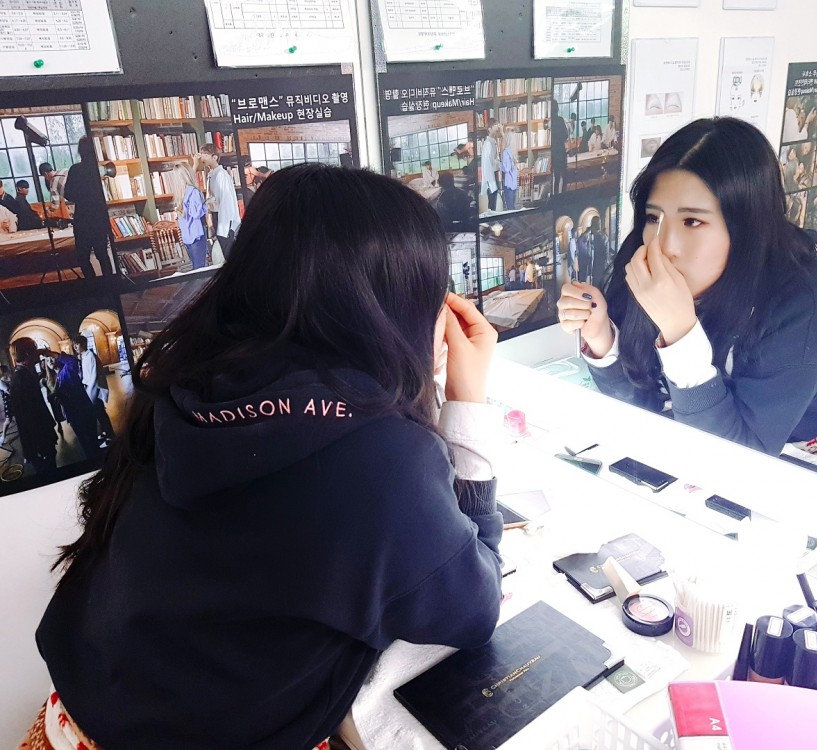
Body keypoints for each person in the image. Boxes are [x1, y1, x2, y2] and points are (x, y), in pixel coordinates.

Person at [28, 164, 504, 749]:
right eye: (431, 296)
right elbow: (474, 608)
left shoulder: (184, 382)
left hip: (71, 718)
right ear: (389, 311)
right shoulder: (383, 462)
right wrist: (468, 406)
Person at [557, 117, 817, 470]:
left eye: (692, 221)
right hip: (711, 443)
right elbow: (644, 404)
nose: (664, 245)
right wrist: (602, 337)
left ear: (745, 227)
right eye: (653, 218)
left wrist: (680, 333)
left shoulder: (806, 301)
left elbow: (737, 463)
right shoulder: (645, 268)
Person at [63, 138, 114, 278]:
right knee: (102, 255)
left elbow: (68, 194)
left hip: (83, 219)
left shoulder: (75, 169)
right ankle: (110, 283)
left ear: (80, 151)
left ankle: (93, 284)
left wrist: (81, 194)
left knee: (83, 257)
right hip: (99, 217)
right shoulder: (100, 170)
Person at [8, 338, 58, 474]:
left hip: (41, 439)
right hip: (39, 442)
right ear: (28, 354)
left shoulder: (23, 373)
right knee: (49, 474)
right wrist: (38, 447)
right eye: (35, 350)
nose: (38, 354)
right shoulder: (21, 379)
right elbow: (28, 418)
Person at [197, 143, 241, 259]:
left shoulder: (222, 175)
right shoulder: (211, 175)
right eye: (201, 154)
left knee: (229, 254)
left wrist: (225, 227)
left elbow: (226, 201)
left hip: (225, 219)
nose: (202, 158)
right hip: (217, 217)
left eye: (205, 155)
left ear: (214, 157)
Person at [73, 335, 115, 444]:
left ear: (83, 344)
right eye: (74, 345)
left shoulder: (90, 356)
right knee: (98, 412)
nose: (75, 347)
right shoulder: (83, 356)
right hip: (88, 388)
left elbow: (93, 376)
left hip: (93, 388)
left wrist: (90, 392)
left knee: (100, 412)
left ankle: (110, 436)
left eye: (77, 344)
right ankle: (106, 432)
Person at [173, 161, 209, 270]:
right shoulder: (193, 192)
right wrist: (207, 205)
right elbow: (196, 213)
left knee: (195, 268)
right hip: (197, 234)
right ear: (189, 174)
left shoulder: (180, 194)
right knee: (200, 269)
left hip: (187, 237)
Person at [479, 123, 502, 212]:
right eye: (495, 127)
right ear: (489, 129)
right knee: (492, 202)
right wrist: (498, 163)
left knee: (493, 201)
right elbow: (488, 163)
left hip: (494, 173)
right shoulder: (488, 144)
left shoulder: (493, 142)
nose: (497, 129)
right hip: (490, 175)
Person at [550, 100, 569, 195]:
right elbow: (566, 135)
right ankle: (564, 196)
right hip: (561, 151)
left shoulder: (549, 122)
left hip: (553, 152)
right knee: (564, 176)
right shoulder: (560, 120)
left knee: (556, 177)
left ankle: (555, 195)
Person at [500, 126, 519, 211]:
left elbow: (506, 169)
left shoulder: (506, 152)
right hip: (514, 183)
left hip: (508, 183)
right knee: (513, 207)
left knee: (510, 208)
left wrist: (500, 164)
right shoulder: (513, 152)